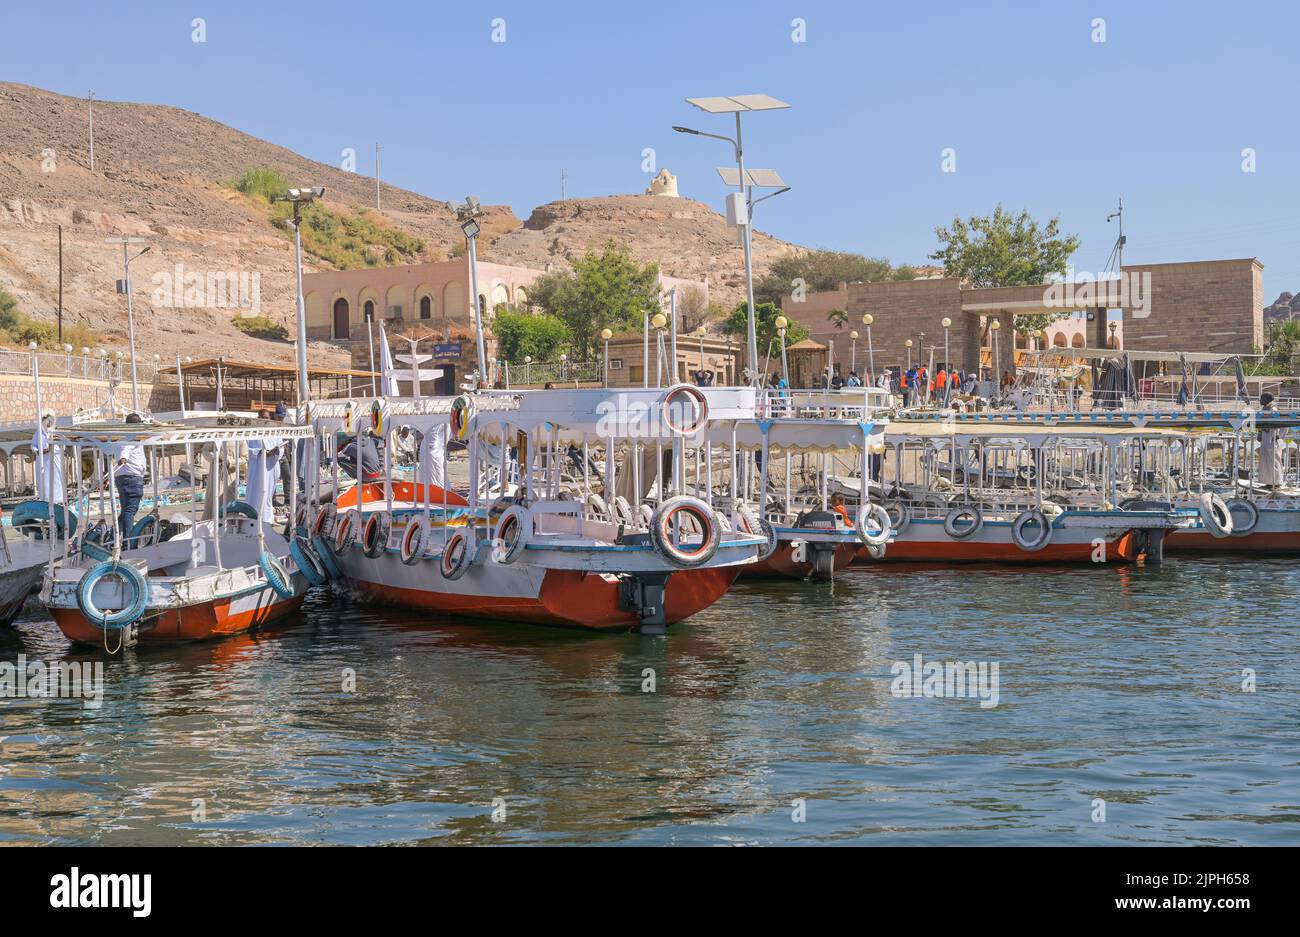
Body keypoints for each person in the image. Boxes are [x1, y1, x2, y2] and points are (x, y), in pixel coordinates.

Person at [114, 413, 147, 547]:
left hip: (122, 477)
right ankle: (128, 542)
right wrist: (123, 459)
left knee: (125, 509)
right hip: (132, 477)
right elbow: (125, 450)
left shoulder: (122, 437)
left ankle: (115, 535)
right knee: (130, 510)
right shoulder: (131, 437)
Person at [31, 413, 65, 505]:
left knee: (56, 478)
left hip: (54, 458)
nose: (48, 424)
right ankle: (45, 499)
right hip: (42, 459)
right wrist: (38, 451)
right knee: (44, 479)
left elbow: (63, 445)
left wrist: (52, 448)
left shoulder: (55, 432)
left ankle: (58, 500)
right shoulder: (38, 433)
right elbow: (33, 445)